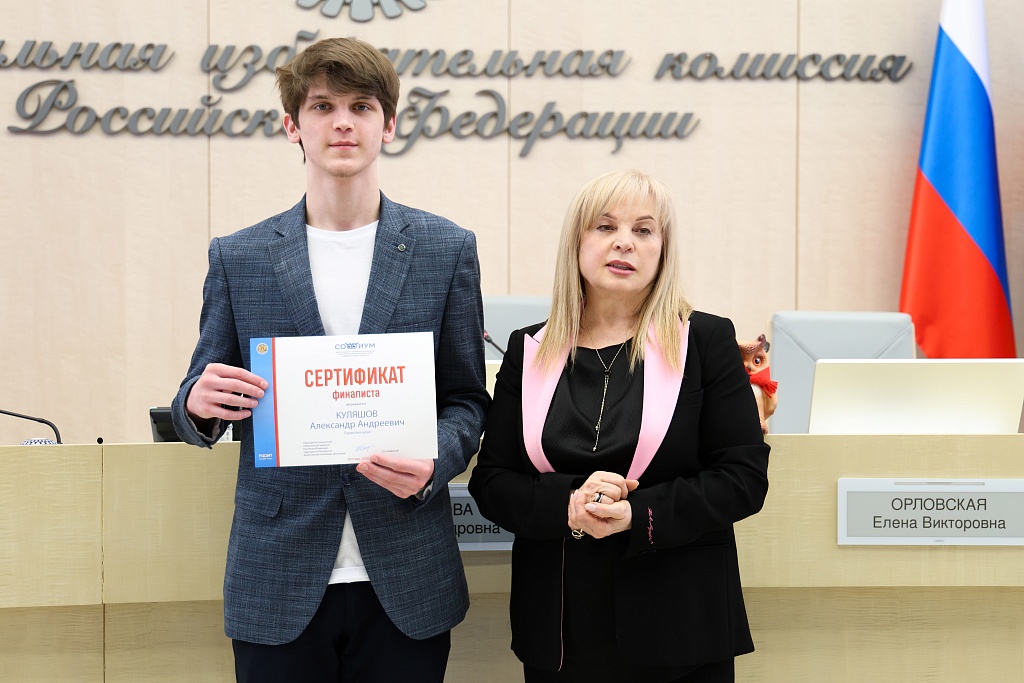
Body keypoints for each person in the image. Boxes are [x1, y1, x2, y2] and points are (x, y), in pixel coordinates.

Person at [170, 37, 489, 682]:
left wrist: (435, 459)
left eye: (361, 106)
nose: (343, 122)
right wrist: (198, 405)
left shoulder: (446, 250)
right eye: (322, 106)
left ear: (388, 124)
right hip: (278, 574)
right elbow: (196, 395)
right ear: (293, 125)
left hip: (405, 571)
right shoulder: (240, 257)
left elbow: (467, 401)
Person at [468, 169, 770, 682]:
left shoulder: (705, 341)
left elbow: (743, 479)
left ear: (663, 249)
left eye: (643, 230)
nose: (624, 242)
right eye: (605, 226)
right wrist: (568, 504)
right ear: (577, 242)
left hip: (680, 631)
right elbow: (492, 481)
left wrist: (638, 514)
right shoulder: (529, 348)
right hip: (559, 631)